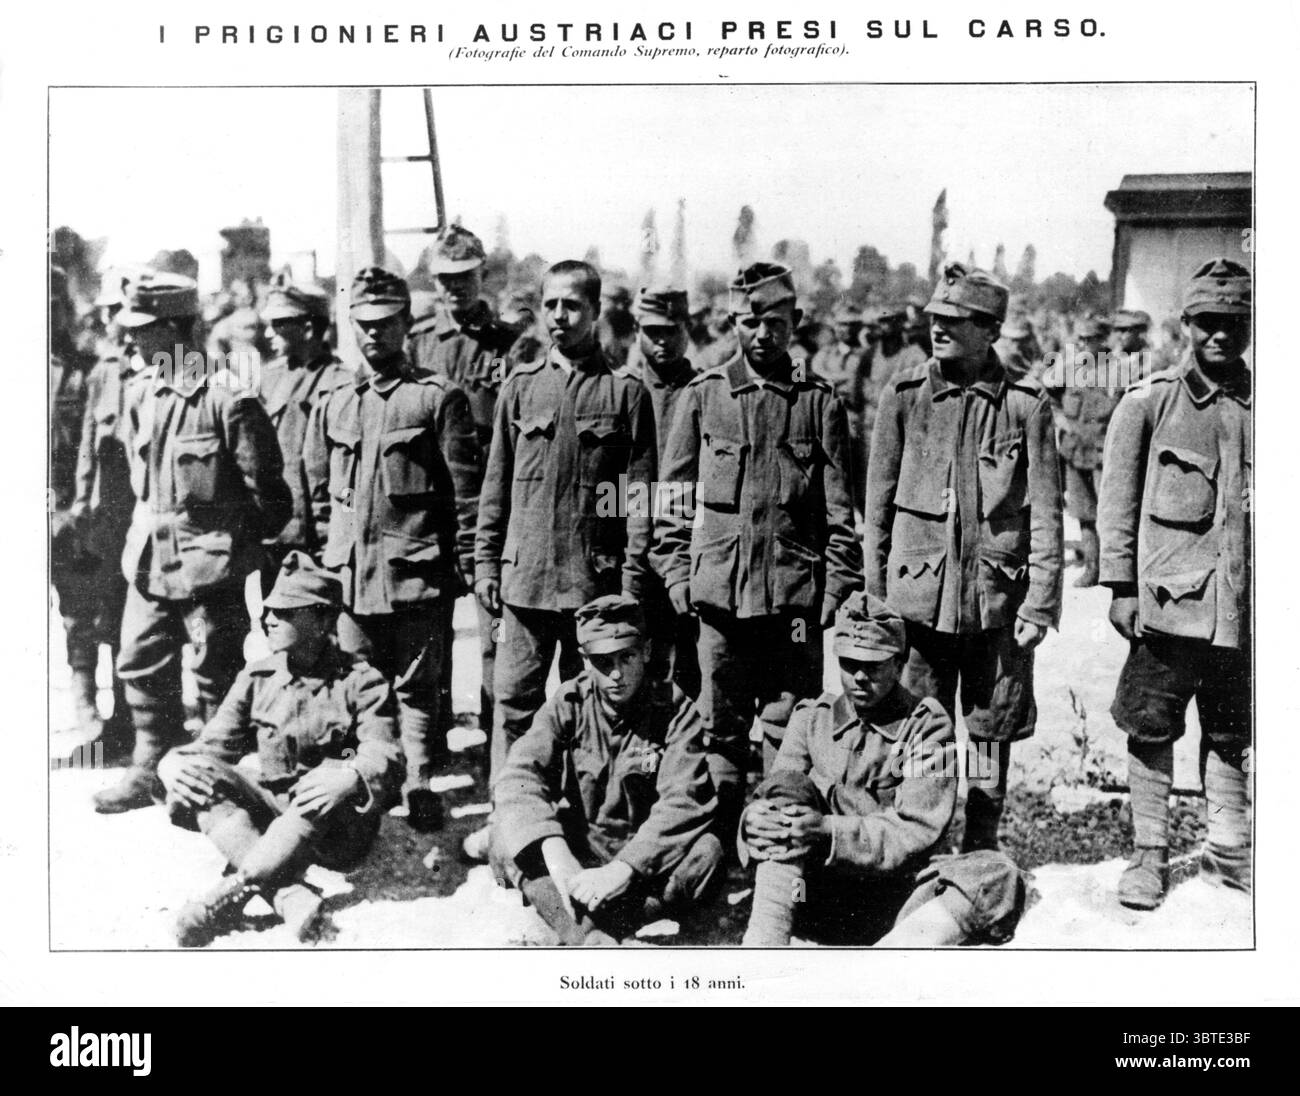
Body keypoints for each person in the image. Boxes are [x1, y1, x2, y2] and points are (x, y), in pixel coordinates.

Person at [653, 261, 863, 837]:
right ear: (733, 323)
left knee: (788, 725)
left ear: (794, 321)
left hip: (794, 603)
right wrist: (677, 577)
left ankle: (775, 845)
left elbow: (842, 514)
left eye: (774, 321)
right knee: (719, 726)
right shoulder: (704, 396)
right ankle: (718, 843)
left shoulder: (819, 403)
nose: (762, 334)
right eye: (749, 322)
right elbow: (669, 503)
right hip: (718, 600)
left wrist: (837, 589)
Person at [863, 263, 1063, 853]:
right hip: (916, 607)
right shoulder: (903, 398)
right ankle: (912, 848)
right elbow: (876, 513)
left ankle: (978, 850)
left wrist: (1041, 603)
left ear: (991, 329)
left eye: (956, 320)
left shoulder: (1026, 406)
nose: (939, 328)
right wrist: (876, 601)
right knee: (916, 730)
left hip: (995, 608)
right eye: (935, 318)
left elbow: (1047, 514)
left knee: (988, 732)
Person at [93, 271, 292, 814]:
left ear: (180, 328)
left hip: (210, 569)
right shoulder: (141, 393)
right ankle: (149, 765)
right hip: (150, 561)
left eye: (145, 328)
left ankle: (210, 778)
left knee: (213, 673)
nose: (131, 338)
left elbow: (268, 496)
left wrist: (230, 552)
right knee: (138, 661)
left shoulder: (228, 397)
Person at [740, 592, 1026, 946]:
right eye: (848, 663)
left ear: (899, 663)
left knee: (997, 875)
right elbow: (778, 798)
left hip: (895, 903)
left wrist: (827, 831)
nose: (859, 676)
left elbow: (914, 828)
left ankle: (886, 966)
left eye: (873, 666)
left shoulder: (927, 726)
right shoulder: (811, 718)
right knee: (782, 801)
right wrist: (753, 821)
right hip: (812, 896)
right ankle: (763, 953)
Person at [305, 266, 482, 832]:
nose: (374, 334)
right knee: (359, 681)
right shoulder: (336, 402)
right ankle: (370, 782)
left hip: (414, 571)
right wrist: (324, 557)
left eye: (385, 323)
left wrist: (467, 566)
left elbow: (465, 494)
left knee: (417, 685)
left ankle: (421, 780)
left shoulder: (437, 398)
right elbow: (319, 494)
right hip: (353, 574)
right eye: (363, 324)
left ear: (407, 323)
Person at [1099, 258, 1253, 909]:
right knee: (1152, 725)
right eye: (1207, 323)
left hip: (1241, 612)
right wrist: (1121, 587)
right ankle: (1149, 856)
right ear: (1185, 324)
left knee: (1231, 730)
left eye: (1234, 323)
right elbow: (1117, 500)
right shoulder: (1149, 400)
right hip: (1168, 607)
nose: (1220, 335)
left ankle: (1230, 850)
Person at [474, 260, 656, 795]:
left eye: (571, 305)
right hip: (525, 582)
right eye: (550, 304)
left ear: (595, 312)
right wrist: (486, 562)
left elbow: (640, 501)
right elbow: (497, 488)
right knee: (513, 704)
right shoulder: (521, 388)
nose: (558, 316)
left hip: (593, 588)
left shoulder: (626, 394)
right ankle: (510, 819)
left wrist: (632, 584)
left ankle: (584, 816)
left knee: (592, 710)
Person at [157, 552, 402, 946]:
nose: (269, 618)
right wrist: (172, 764)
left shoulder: (361, 682)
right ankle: (288, 895)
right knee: (196, 776)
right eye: (269, 609)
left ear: (323, 619)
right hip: (276, 810)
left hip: (338, 830)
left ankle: (228, 894)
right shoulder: (257, 676)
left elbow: (384, 752)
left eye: (286, 611)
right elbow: (212, 748)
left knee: (323, 779)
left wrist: (350, 776)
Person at [493, 595, 722, 945]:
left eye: (626, 657)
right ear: (584, 660)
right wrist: (556, 851)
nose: (616, 674)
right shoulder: (569, 703)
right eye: (602, 662)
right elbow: (520, 776)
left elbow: (683, 801)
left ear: (646, 651)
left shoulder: (674, 710)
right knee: (508, 835)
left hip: (647, 860)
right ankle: (589, 932)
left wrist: (624, 868)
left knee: (708, 853)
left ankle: (592, 926)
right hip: (583, 852)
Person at [408, 226, 520, 746]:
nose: (455, 288)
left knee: (493, 625)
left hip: (489, 500)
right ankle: (429, 739)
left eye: (465, 276)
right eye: (445, 278)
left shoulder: (508, 344)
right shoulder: (418, 340)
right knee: (428, 627)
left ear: (483, 275)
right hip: (430, 500)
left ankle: (496, 748)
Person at [66, 277, 138, 760]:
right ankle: (123, 723)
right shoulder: (103, 370)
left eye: (122, 309)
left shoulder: (180, 362)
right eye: (108, 310)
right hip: (113, 519)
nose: (113, 319)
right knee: (111, 617)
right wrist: (83, 502)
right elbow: (90, 447)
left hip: (157, 514)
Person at [622, 284, 700, 696]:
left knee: (690, 661)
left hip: (688, 545)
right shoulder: (621, 389)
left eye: (672, 330)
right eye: (653, 331)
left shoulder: (708, 390)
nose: (663, 341)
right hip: (631, 546)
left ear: (687, 330)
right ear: (637, 331)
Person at [257, 276, 352, 593]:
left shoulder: (341, 382)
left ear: (309, 327)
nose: (269, 333)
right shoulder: (270, 379)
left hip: (319, 537)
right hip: (277, 534)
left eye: (279, 324)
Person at [49, 266, 103, 746]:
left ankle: (84, 696)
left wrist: (73, 509)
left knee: (80, 614)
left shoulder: (86, 370)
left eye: (53, 304)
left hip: (67, 513)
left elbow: (92, 448)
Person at [1045, 316, 1120, 587]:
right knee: (1084, 513)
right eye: (1082, 339)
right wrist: (1062, 422)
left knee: (1112, 514)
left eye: (1091, 339)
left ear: (1104, 339)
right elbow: (1050, 397)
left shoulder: (1119, 369)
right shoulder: (1069, 367)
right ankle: (1092, 568)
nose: (1085, 344)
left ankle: (1119, 573)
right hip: (1075, 452)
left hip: (1107, 455)